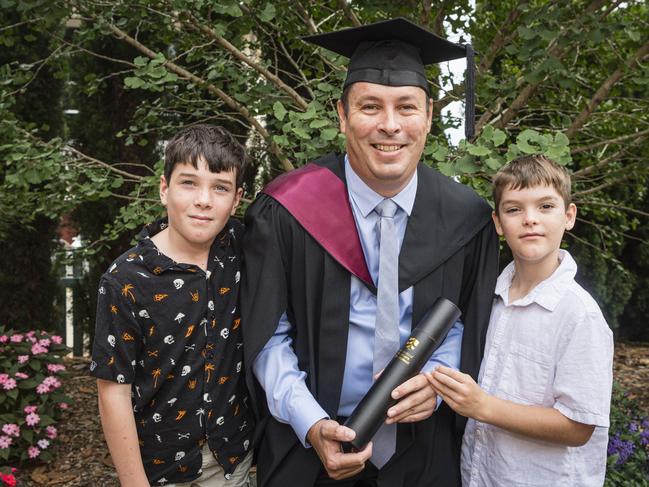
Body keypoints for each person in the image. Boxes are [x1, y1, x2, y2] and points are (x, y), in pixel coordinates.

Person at [241, 18, 499, 487]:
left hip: (424, 454)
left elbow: (470, 322)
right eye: (369, 107)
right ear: (341, 115)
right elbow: (267, 335)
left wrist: (438, 385)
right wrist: (310, 423)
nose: (390, 125)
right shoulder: (287, 209)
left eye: (406, 107)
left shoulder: (468, 219)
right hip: (309, 454)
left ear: (429, 115)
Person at [426, 154, 614, 486]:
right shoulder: (489, 299)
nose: (530, 219)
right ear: (498, 223)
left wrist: (483, 406)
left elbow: (579, 426)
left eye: (545, 207)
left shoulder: (579, 315)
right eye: (514, 209)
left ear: (569, 216)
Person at [89, 125, 254, 487]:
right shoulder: (125, 280)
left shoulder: (243, 250)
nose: (204, 200)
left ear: (237, 198)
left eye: (220, 188)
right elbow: (113, 392)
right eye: (189, 183)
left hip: (233, 459)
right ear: (164, 189)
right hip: (161, 470)